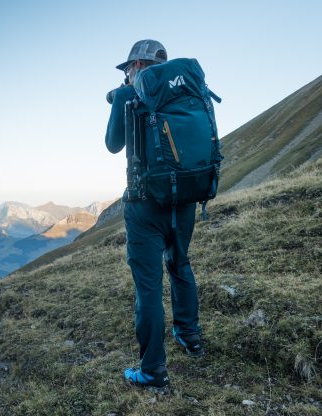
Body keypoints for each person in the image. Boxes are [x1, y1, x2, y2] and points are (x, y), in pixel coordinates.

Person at [105, 39, 205, 390]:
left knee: (148, 288)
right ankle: (190, 337)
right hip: (186, 197)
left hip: (144, 203)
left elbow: (113, 143)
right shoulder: (185, 87)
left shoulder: (126, 95)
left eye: (129, 68)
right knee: (180, 264)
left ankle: (153, 371)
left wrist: (120, 98)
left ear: (135, 66)